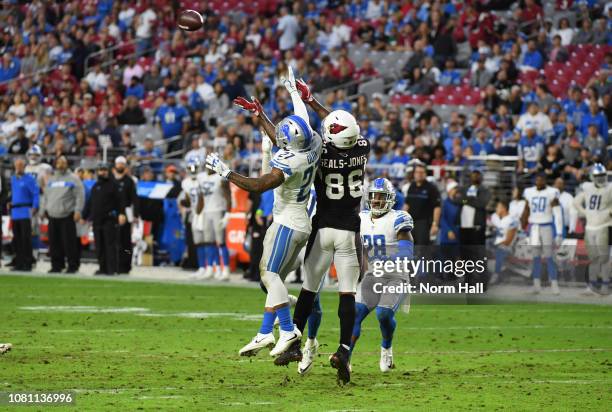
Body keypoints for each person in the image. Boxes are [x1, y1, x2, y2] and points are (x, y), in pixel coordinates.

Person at [210, 66, 322, 360]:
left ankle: (287, 330)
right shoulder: (313, 142)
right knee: (271, 281)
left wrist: (227, 172)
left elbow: (259, 185)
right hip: (299, 221)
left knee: (269, 275)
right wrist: (288, 96)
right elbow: (299, 120)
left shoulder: (289, 161)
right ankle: (264, 331)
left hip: (287, 222)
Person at [273, 77, 370, 384]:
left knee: (309, 289)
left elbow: (322, 130)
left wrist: (308, 101)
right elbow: (341, 128)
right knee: (347, 293)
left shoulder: (320, 154)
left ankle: (293, 340)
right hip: (349, 230)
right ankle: (343, 350)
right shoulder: (363, 148)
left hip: (323, 226)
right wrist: (314, 101)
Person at [352, 178, 414, 373]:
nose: (377, 201)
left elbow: (407, 249)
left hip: (396, 276)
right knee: (355, 314)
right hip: (373, 276)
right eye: (374, 197)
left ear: (390, 199)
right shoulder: (361, 218)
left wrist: (391, 260)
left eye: (381, 197)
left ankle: (386, 347)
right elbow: (359, 247)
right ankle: (345, 356)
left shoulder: (398, 218)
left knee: (384, 314)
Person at [40, 156, 85, 274]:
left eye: (63, 162)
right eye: (59, 162)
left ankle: (72, 266)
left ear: (67, 164)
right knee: (54, 243)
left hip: (67, 215)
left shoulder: (74, 179)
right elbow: (45, 196)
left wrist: (78, 211)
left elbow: (80, 196)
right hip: (52, 215)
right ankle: (56, 265)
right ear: (55, 164)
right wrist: (43, 210)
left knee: (69, 243)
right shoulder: (51, 179)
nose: (60, 164)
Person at [521, 173, 563, 294]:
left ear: (545, 180)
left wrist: (559, 232)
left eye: (541, 179)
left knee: (550, 257)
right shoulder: (529, 192)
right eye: (537, 179)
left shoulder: (552, 192)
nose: (539, 181)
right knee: (535, 257)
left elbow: (558, 213)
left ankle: (554, 283)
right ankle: (536, 284)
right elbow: (526, 210)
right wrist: (522, 226)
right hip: (533, 227)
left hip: (546, 226)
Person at [573, 164, 611, 295]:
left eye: (602, 176)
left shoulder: (610, 188)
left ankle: (605, 285)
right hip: (590, 227)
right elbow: (576, 202)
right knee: (593, 259)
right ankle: (592, 286)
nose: (600, 179)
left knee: (604, 258)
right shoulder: (587, 187)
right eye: (598, 176)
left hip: (603, 226)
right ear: (592, 177)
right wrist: (584, 212)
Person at [83, 163, 127, 276]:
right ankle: (102, 268)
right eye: (101, 170)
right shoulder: (95, 186)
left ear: (108, 171)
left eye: (105, 170)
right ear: (98, 171)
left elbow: (121, 201)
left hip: (109, 219)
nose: (103, 172)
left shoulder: (114, 185)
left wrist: (121, 213)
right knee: (99, 246)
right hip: (97, 220)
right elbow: (90, 203)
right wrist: (84, 216)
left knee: (110, 245)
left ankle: (112, 269)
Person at [199, 156, 232, 281]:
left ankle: (226, 269)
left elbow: (228, 195)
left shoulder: (220, 177)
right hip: (207, 211)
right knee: (209, 242)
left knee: (221, 242)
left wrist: (228, 213)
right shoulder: (201, 178)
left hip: (218, 210)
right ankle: (214, 268)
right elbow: (201, 196)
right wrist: (198, 213)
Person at [457, 169, 491, 285]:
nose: (475, 177)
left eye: (477, 175)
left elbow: (481, 203)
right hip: (464, 226)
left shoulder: (484, 190)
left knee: (479, 255)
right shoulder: (464, 188)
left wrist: (466, 200)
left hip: (477, 227)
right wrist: (469, 199)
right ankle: (468, 282)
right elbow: (457, 199)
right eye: (473, 175)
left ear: (481, 178)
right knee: (466, 255)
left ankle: (483, 282)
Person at [180, 158, 209, 279]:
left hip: (206, 212)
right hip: (194, 214)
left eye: (194, 167)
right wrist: (185, 202)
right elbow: (188, 199)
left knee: (208, 241)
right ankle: (202, 267)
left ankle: (211, 267)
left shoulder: (203, 178)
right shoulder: (185, 182)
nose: (193, 170)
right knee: (198, 242)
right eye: (190, 168)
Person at [9, 157, 39, 271]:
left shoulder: (30, 179)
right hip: (15, 212)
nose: (18, 167)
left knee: (26, 239)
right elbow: (13, 194)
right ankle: (19, 263)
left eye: (21, 165)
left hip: (25, 212)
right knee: (17, 239)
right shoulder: (13, 179)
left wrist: (35, 206)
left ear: (24, 166)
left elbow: (35, 193)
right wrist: (10, 202)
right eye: (17, 165)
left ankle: (27, 263)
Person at [112, 156, 139, 274]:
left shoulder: (129, 181)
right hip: (113, 214)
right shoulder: (111, 180)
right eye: (119, 164)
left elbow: (134, 199)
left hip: (126, 213)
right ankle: (114, 264)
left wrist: (135, 214)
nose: (120, 166)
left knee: (126, 241)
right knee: (114, 240)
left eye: (122, 164)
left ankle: (126, 264)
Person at [404, 163, 441, 245]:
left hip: (424, 223)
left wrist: (435, 224)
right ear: (414, 174)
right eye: (417, 172)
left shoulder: (431, 188)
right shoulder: (411, 186)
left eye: (422, 172)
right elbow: (407, 204)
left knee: (422, 249)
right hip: (411, 222)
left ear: (425, 174)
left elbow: (437, 207)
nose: (419, 174)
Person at [490, 200, 519, 284]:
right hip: (498, 244)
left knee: (501, 249)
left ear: (503, 208)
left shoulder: (512, 220)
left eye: (498, 207)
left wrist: (496, 244)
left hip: (509, 247)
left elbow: (508, 241)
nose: (496, 209)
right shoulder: (499, 219)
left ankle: (496, 274)